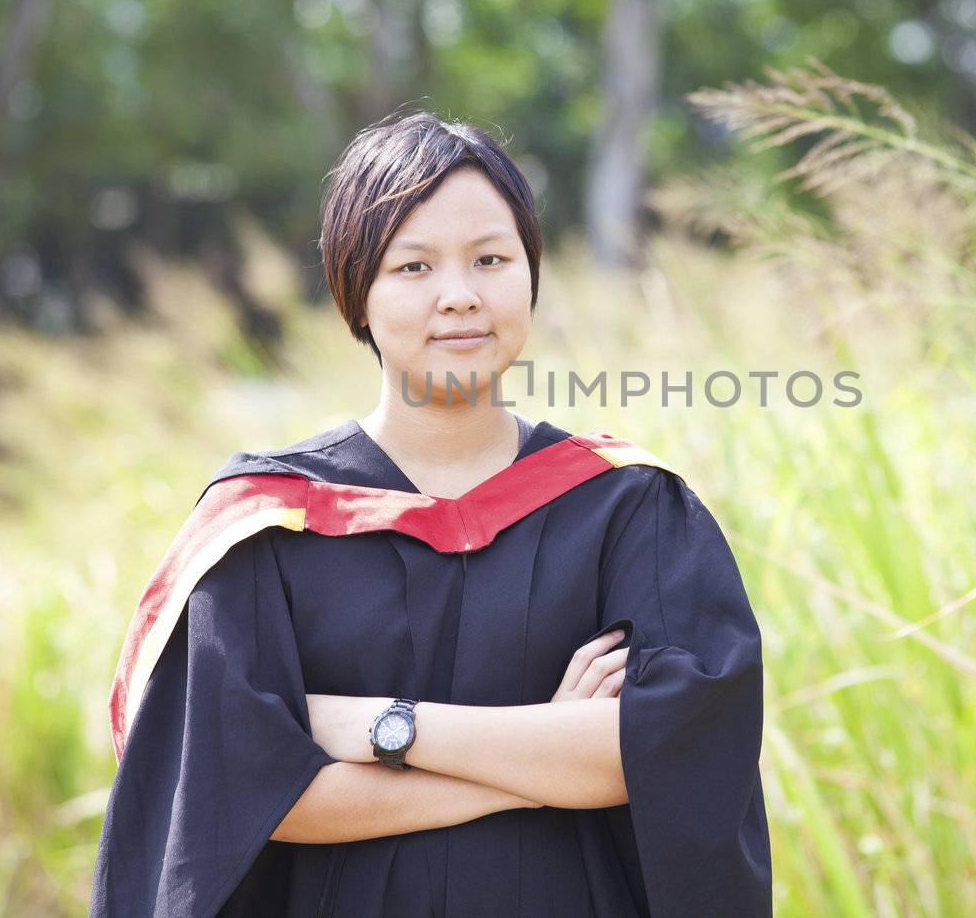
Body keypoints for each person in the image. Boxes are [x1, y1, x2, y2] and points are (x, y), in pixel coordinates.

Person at [88, 111, 772, 916]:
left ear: (529, 275)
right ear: (358, 292)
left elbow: (664, 754)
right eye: (413, 267)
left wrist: (389, 727)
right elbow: (248, 797)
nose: (459, 296)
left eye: (491, 258)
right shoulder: (267, 528)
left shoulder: (628, 509)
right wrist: (541, 757)